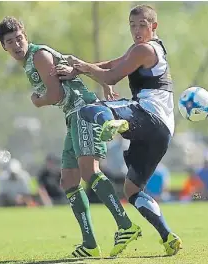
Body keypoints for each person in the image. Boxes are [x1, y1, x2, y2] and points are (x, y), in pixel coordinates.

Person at [0, 17, 141, 258]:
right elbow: (70, 71)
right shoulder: (31, 61)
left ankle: (125, 225)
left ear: (26, 36)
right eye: (10, 42)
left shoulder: (39, 56)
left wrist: (38, 101)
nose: (16, 44)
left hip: (83, 111)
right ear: (4, 47)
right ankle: (90, 244)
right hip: (72, 115)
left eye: (19, 38)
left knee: (89, 172)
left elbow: (55, 94)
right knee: (69, 181)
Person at [51, 5, 182, 256]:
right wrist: (81, 68)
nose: (136, 30)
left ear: (154, 26)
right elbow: (114, 64)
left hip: (147, 115)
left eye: (142, 25)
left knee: (88, 111)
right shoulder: (147, 48)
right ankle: (168, 237)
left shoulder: (144, 48)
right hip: (163, 131)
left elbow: (111, 77)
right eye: (132, 25)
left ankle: (120, 124)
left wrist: (81, 66)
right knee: (132, 190)